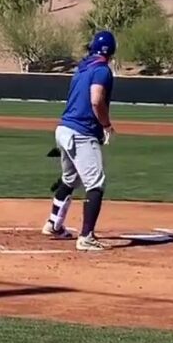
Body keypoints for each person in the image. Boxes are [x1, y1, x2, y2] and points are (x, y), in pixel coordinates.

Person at [41, 30, 117, 252]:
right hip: (81, 132)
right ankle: (86, 237)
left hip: (64, 129)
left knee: (70, 179)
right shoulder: (102, 70)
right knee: (95, 183)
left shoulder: (82, 69)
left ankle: (54, 224)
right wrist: (106, 125)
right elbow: (96, 100)